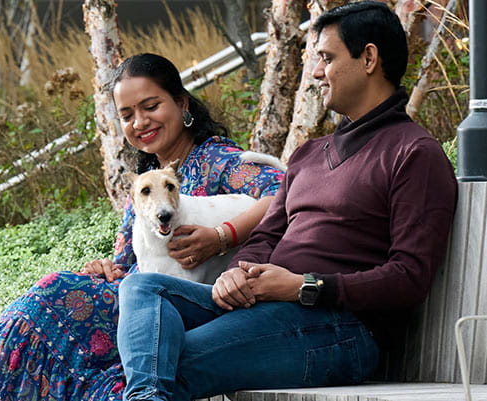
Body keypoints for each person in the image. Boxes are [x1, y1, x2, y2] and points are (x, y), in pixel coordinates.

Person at [114, 3, 459, 400]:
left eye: (326, 58)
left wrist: (304, 287)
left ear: (368, 58)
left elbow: (409, 277)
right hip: (264, 308)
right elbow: (266, 236)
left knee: (166, 364)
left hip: (341, 328)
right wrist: (239, 273)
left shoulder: (413, 153)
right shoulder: (309, 155)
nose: (314, 72)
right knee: (142, 289)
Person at [0, 53, 285, 401]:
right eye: (126, 115)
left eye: (150, 106)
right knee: (41, 306)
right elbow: (126, 265)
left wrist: (221, 236)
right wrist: (107, 269)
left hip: (184, 307)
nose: (140, 122)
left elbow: (285, 192)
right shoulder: (144, 184)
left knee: (48, 299)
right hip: (137, 302)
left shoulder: (216, 159)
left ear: (181, 103)